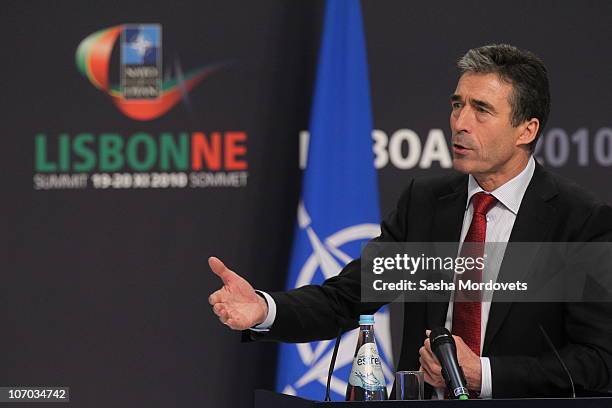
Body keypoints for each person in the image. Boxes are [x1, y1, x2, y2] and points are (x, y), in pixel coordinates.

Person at [207, 44, 612, 398]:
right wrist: (264, 309)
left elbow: (598, 361)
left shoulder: (579, 221)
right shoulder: (427, 204)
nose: (460, 122)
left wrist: (484, 374)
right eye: (457, 104)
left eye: (482, 110)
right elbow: (347, 298)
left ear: (527, 129)